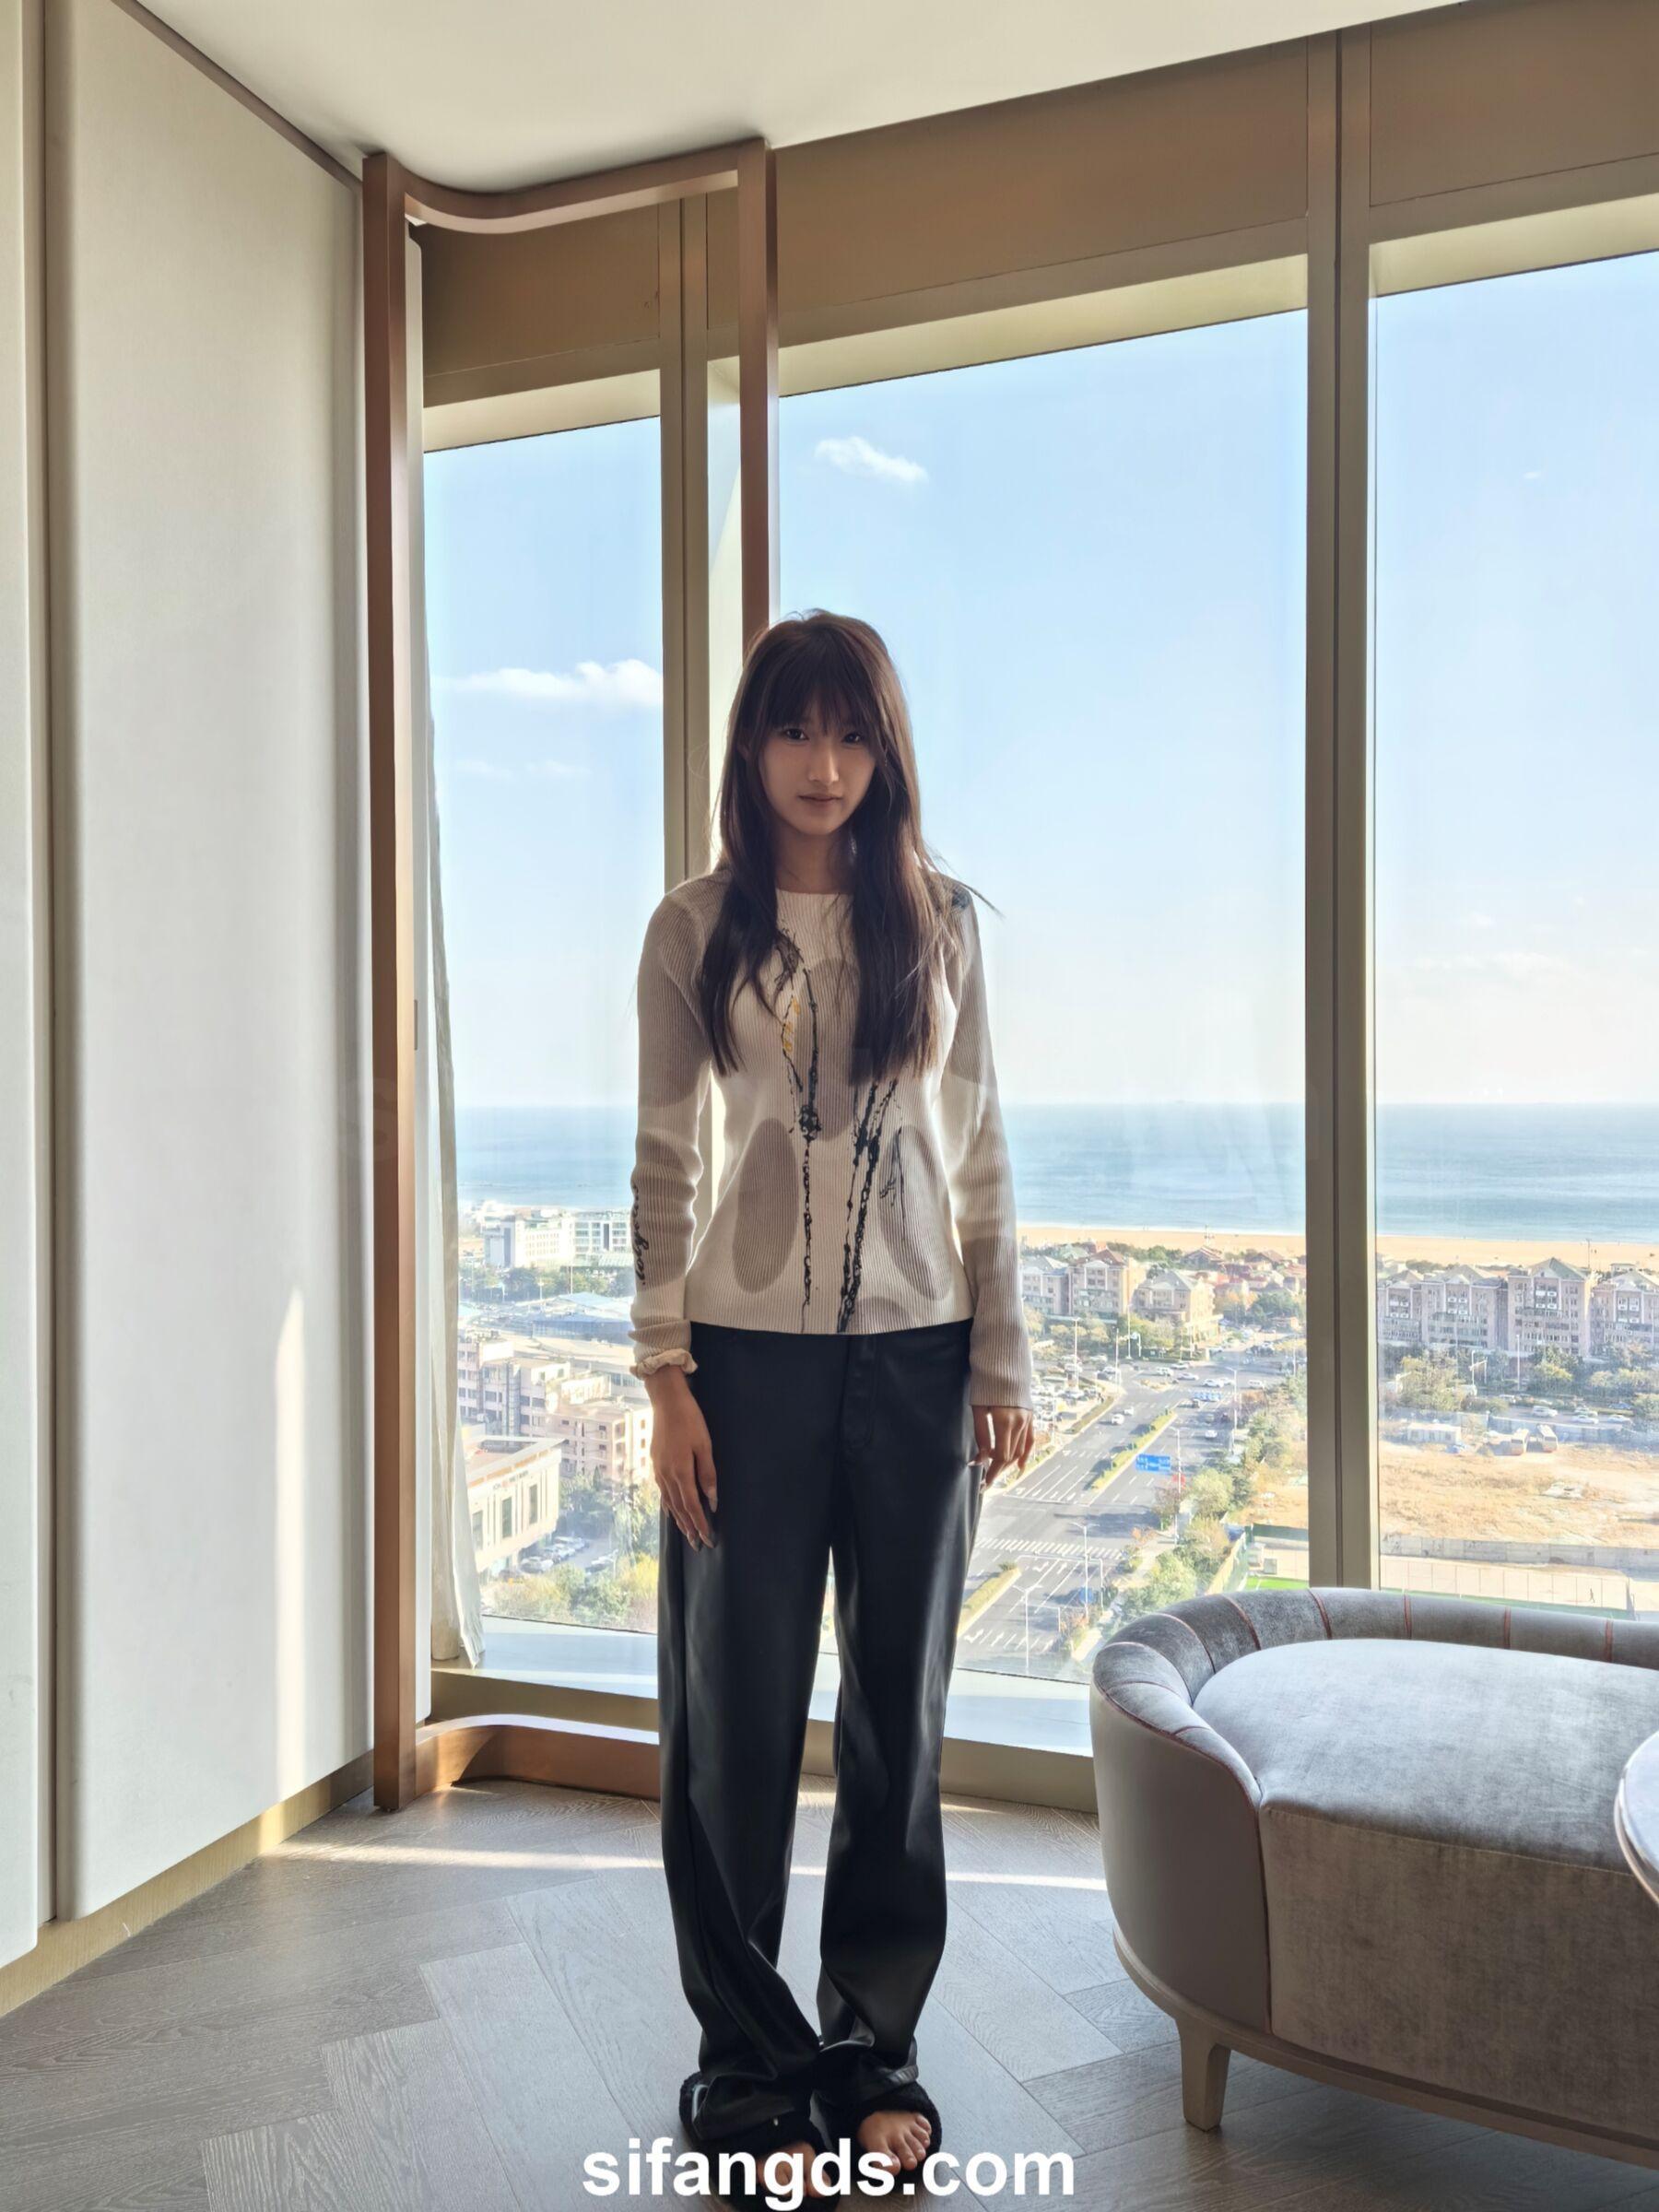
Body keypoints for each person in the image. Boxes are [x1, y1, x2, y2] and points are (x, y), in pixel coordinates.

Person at [628, 609, 1035, 2207]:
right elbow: (664, 1163)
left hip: (924, 1360)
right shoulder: (693, 927)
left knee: (894, 1718)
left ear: (887, 752)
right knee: (732, 1720)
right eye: (797, 730)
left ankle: (873, 2050)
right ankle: (745, 2060)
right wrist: (666, 1378)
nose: (824, 764)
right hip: (745, 1366)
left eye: (853, 734)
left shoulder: (943, 922)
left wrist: (1001, 1359)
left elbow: (980, 1154)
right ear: (752, 745)